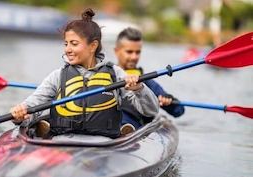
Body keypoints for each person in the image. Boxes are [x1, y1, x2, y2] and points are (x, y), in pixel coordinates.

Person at [10, 9, 159, 138]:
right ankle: (45, 128)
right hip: (61, 141)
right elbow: (33, 106)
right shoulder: (57, 76)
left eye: (74, 44)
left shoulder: (116, 74)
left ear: (93, 45)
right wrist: (20, 115)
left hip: (104, 145)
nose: (67, 49)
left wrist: (139, 88)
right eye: (66, 44)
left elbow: (150, 111)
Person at [114, 27, 185, 129]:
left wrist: (168, 101)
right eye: (129, 52)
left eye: (137, 52)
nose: (134, 57)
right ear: (116, 51)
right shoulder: (107, 75)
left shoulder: (146, 81)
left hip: (133, 129)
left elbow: (179, 111)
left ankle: (125, 129)